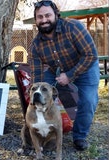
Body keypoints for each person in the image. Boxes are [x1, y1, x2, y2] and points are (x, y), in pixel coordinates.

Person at [28, 0, 100, 151]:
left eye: (48, 15)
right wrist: (34, 93)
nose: (44, 20)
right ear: (36, 20)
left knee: (88, 101)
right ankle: (41, 129)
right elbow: (36, 74)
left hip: (86, 66)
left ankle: (79, 136)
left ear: (56, 15)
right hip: (57, 71)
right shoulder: (35, 45)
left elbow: (91, 55)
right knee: (39, 95)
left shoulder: (73, 27)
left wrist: (70, 75)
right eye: (40, 17)